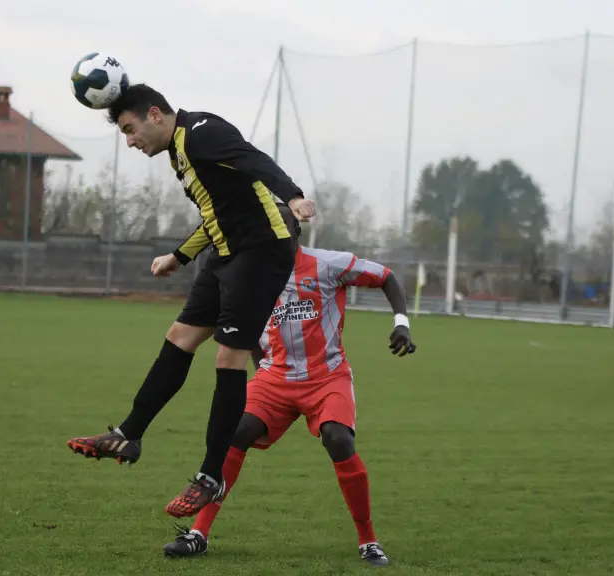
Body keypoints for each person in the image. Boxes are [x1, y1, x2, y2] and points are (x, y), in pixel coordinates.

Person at [67, 84, 317, 518]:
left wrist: (293, 194)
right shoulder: (179, 151)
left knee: (228, 357)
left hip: (261, 252)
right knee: (179, 337)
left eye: (130, 129)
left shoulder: (200, 132)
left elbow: (253, 159)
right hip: (225, 254)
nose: (130, 141)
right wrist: (179, 256)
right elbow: (214, 215)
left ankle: (210, 474)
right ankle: (129, 433)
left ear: (155, 115)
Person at [162, 205, 416, 567]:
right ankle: (198, 534)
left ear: (296, 231)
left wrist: (402, 323)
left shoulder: (328, 264)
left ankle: (368, 541)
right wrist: (260, 369)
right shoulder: (250, 275)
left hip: (327, 376)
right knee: (235, 432)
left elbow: (386, 276)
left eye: (280, 228)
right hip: (275, 377)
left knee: (338, 438)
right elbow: (242, 323)